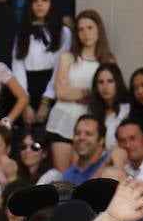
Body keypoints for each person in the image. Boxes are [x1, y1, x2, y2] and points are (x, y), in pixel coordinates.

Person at [45, 10, 114, 171]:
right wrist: (91, 91)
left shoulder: (108, 60)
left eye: (90, 28)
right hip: (63, 120)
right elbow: (61, 92)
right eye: (81, 29)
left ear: (99, 30)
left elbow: (110, 92)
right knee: (64, 177)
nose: (85, 33)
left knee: (86, 174)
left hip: (92, 122)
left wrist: (74, 91)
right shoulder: (67, 57)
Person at [11, 0, 71, 127]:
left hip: (53, 85)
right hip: (26, 88)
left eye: (44, 0)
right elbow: (17, 67)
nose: (39, 4)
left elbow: (60, 67)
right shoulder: (21, 34)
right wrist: (24, 103)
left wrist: (47, 100)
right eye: (35, 0)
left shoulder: (63, 33)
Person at [88, 63, 130, 151]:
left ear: (118, 83)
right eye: (100, 82)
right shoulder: (93, 111)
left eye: (110, 81)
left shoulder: (128, 109)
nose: (105, 87)